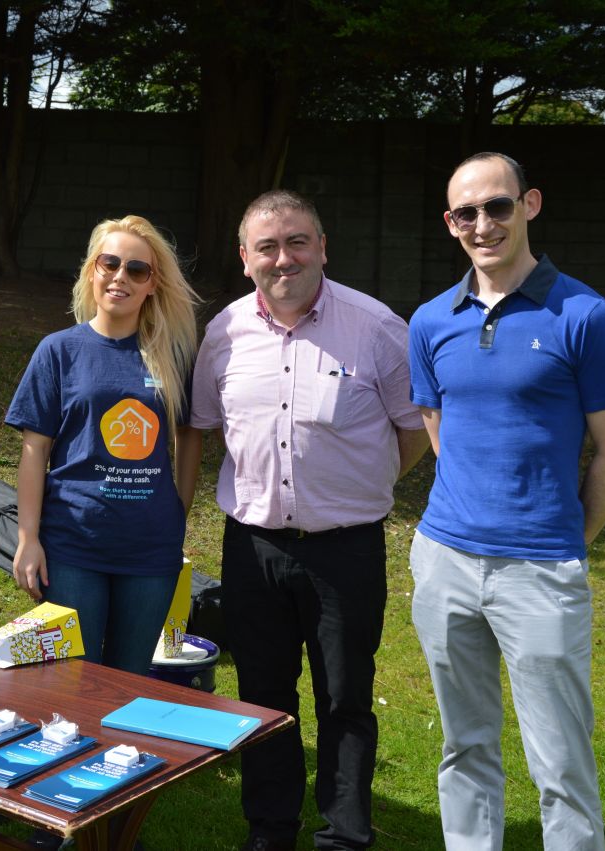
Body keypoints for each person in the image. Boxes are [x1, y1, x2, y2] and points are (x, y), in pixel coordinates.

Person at [177, 190, 429, 851]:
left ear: (322, 247)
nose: (283, 258)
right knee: (262, 693)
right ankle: (269, 827)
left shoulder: (377, 329)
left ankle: (344, 833)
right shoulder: (224, 333)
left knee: (345, 695)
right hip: (252, 547)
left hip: (346, 550)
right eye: (267, 246)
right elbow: (202, 427)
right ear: (244, 258)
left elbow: (417, 429)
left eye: (297, 242)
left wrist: (365, 483)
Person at [407, 152, 605, 850]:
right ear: (451, 224)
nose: (484, 224)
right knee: (464, 744)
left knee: (561, 760)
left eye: (498, 206)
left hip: (540, 570)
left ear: (530, 204)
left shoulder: (586, 315)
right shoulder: (429, 321)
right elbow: (438, 428)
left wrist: (565, 535)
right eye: (466, 213)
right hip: (444, 559)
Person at [6, 215, 200, 677]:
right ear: (91, 270)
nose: (121, 277)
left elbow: (189, 435)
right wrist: (28, 538)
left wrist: (179, 509)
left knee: (131, 681)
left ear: (153, 284)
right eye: (109, 263)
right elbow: (35, 451)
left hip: (151, 550)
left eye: (137, 270)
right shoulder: (58, 350)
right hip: (73, 546)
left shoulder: (173, 356)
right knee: (74, 680)